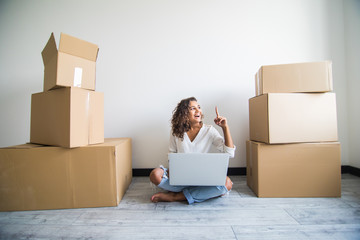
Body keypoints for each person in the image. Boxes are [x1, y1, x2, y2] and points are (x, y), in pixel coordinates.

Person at [149, 97, 236, 204]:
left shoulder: (209, 130)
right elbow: (172, 154)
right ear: (184, 113)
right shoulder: (176, 131)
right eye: (193, 108)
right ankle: (199, 193)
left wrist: (225, 127)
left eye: (199, 107)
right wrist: (172, 169)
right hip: (181, 178)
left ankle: (177, 197)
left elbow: (229, 153)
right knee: (155, 174)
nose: (198, 110)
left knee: (227, 183)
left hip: (202, 178)